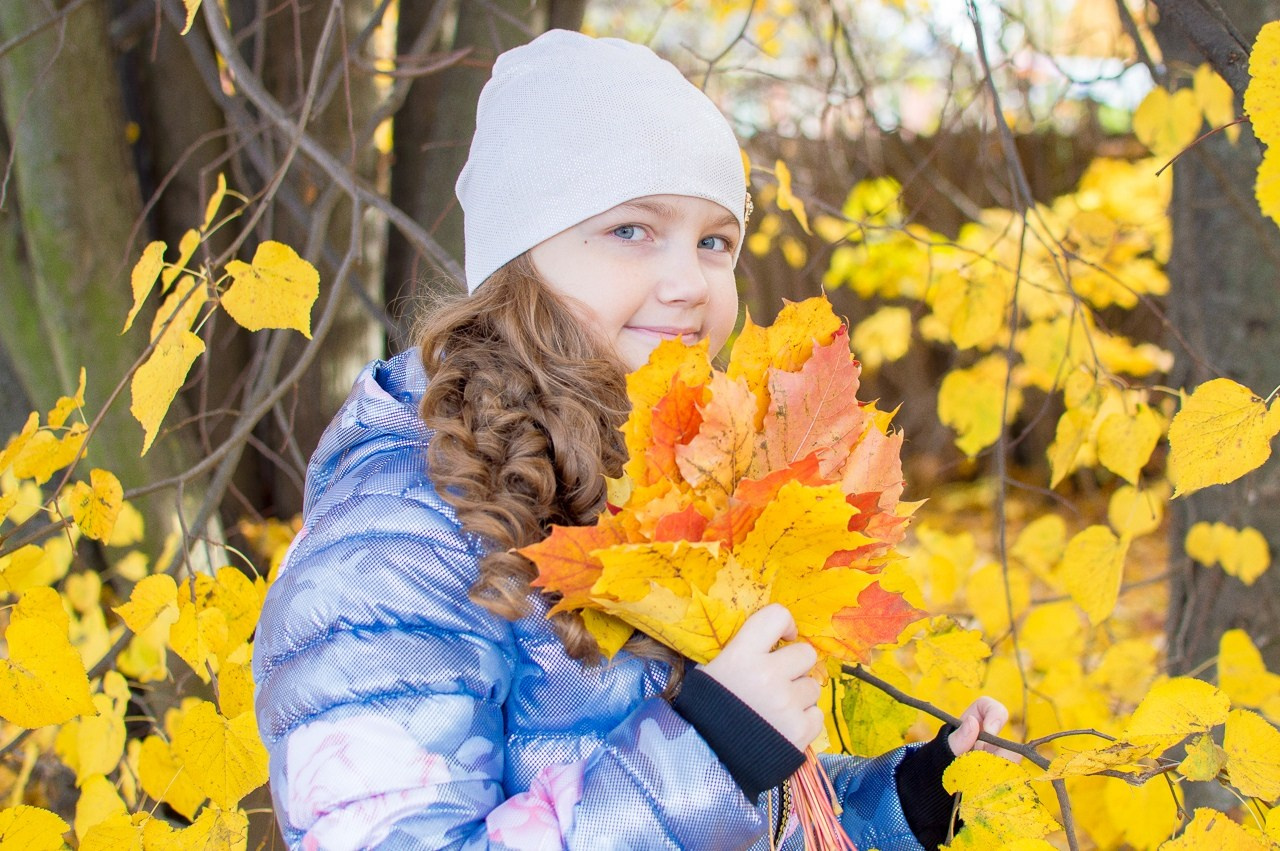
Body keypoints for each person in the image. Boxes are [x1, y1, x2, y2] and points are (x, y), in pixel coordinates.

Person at [252, 29, 1014, 851]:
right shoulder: (397, 539)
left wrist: (897, 805)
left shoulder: (650, 483)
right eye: (632, 230)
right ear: (521, 260)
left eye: (713, 241)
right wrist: (714, 750)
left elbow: (724, 813)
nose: (689, 284)